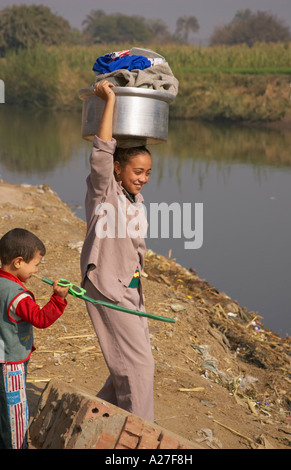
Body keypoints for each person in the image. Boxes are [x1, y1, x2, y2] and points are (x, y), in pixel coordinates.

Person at [80, 80, 155, 422]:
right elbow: (102, 148)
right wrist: (110, 99)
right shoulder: (103, 192)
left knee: (128, 366)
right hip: (107, 286)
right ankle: (140, 437)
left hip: (131, 292)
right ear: (117, 169)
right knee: (137, 367)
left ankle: (91, 424)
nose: (143, 178)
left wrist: (139, 294)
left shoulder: (136, 201)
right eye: (138, 172)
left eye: (148, 173)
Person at [0, 228, 69, 449]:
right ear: (18, 262)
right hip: (11, 365)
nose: (37, 270)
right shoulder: (17, 295)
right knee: (15, 417)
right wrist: (58, 298)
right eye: (36, 264)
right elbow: (40, 318)